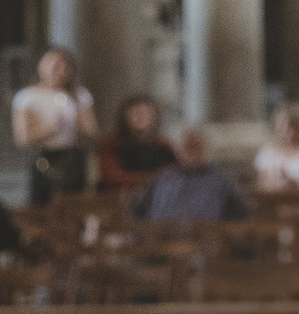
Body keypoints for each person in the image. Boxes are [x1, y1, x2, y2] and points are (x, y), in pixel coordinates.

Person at [11, 47, 97, 206]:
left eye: (65, 65)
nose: (61, 70)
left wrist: (78, 123)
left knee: (74, 205)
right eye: (55, 65)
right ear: (41, 65)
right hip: (44, 159)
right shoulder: (27, 97)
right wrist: (52, 127)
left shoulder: (79, 95)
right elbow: (22, 138)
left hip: (72, 158)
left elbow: (92, 132)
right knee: (43, 208)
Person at [131, 128, 252, 222]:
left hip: (208, 241)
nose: (193, 153)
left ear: (207, 150)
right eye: (189, 147)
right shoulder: (162, 177)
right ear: (179, 151)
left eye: (198, 147)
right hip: (162, 241)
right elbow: (138, 210)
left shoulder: (223, 179)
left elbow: (242, 214)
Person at [96, 94, 178, 193]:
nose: (140, 117)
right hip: (118, 197)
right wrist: (152, 179)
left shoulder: (164, 145)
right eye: (135, 113)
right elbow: (111, 178)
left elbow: (175, 176)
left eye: (145, 113)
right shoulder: (111, 143)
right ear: (125, 117)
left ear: (154, 117)